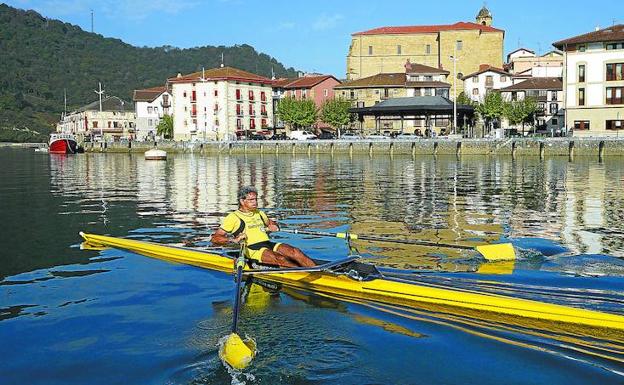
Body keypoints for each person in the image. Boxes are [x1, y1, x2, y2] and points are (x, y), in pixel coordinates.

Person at [211, 186, 315, 268]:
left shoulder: (260, 213)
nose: (255, 202)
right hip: (251, 250)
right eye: (251, 200)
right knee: (279, 258)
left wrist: (274, 226)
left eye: (256, 199)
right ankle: (302, 275)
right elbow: (215, 238)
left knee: (295, 252)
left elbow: (271, 223)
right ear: (242, 201)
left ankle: (319, 273)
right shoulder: (233, 217)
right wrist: (233, 240)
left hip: (268, 244)